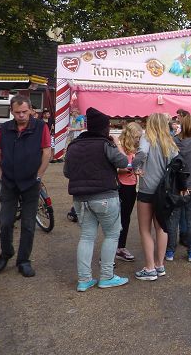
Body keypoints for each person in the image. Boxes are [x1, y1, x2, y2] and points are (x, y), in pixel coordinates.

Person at [64, 107, 131, 290]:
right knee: (112, 235)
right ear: (104, 127)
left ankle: (84, 280)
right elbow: (123, 163)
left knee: (86, 237)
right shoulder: (105, 144)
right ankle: (107, 276)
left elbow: (67, 172)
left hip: (80, 199)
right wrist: (116, 143)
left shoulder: (73, 145)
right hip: (105, 197)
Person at [0, 95, 51, 277]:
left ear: (31, 110)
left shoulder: (40, 127)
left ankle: (24, 260)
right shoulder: (5, 128)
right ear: (12, 111)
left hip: (31, 183)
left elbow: (47, 153)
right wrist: (1, 175)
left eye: (25, 112)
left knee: (28, 224)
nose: (21, 115)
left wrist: (38, 176)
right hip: (9, 182)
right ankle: (6, 253)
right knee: (5, 222)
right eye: (17, 112)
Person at [133, 113, 179, 281]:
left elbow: (142, 153)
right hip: (164, 191)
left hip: (147, 189)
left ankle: (150, 268)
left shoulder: (147, 138)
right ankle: (160, 265)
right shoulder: (170, 142)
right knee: (161, 228)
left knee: (145, 230)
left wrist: (135, 167)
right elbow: (177, 163)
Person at [164, 115, 191, 262]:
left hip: (175, 187)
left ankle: (170, 251)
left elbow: (167, 162)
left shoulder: (172, 142)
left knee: (173, 220)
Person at [115, 122, 143, 262]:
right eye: (136, 137)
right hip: (121, 185)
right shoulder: (119, 146)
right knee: (117, 218)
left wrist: (137, 170)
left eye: (139, 137)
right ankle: (114, 248)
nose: (138, 139)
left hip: (131, 185)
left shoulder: (134, 148)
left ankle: (121, 247)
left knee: (126, 218)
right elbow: (116, 166)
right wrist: (122, 169)